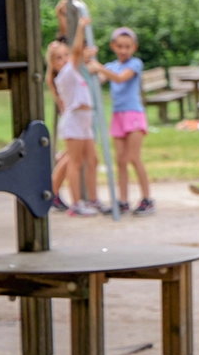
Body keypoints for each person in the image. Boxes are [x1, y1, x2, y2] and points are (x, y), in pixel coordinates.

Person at [91, 27, 155, 216]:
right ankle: (123, 200)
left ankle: (147, 199)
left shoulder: (135, 64)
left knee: (133, 158)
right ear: (113, 46)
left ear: (134, 47)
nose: (123, 50)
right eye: (119, 46)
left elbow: (119, 79)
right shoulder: (111, 66)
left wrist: (99, 67)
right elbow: (99, 79)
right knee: (120, 161)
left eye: (127, 47)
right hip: (118, 115)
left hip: (133, 114)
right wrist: (89, 62)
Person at [50, 21, 100, 218]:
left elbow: (79, 55)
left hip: (85, 120)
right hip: (74, 120)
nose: (63, 59)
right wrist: (79, 27)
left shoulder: (75, 73)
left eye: (65, 55)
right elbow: (78, 51)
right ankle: (77, 203)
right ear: (53, 64)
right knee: (75, 162)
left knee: (93, 160)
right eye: (58, 58)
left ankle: (93, 199)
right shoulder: (65, 74)